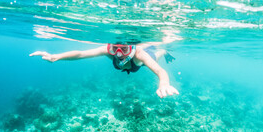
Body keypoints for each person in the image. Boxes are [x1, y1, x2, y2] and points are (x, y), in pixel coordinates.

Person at [30, 43, 179, 98]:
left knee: (156, 56)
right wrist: (56, 57)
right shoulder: (109, 51)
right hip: (134, 61)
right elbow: (81, 54)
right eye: (116, 49)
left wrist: (164, 84)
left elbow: (160, 71)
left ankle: (164, 51)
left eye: (124, 49)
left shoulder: (139, 54)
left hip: (139, 62)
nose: (119, 53)